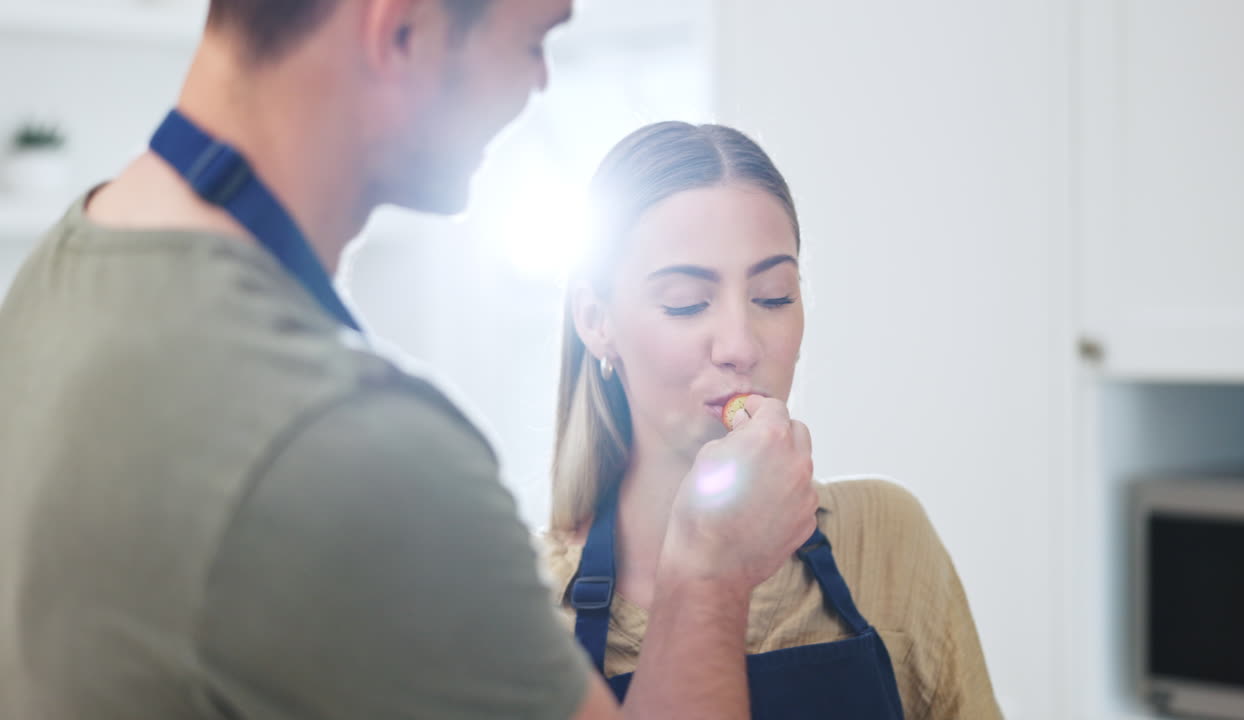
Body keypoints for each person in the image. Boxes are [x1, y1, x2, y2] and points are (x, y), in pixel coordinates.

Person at [0, 3, 821, 718]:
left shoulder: (63, 275)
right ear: (400, 31)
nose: (537, 83)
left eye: (773, 295)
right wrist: (711, 579)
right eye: (533, 39)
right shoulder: (356, 448)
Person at [543, 121, 1005, 718]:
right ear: (596, 321)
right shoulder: (520, 609)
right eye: (686, 302)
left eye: (774, 296)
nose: (740, 345)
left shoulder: (891, 539)